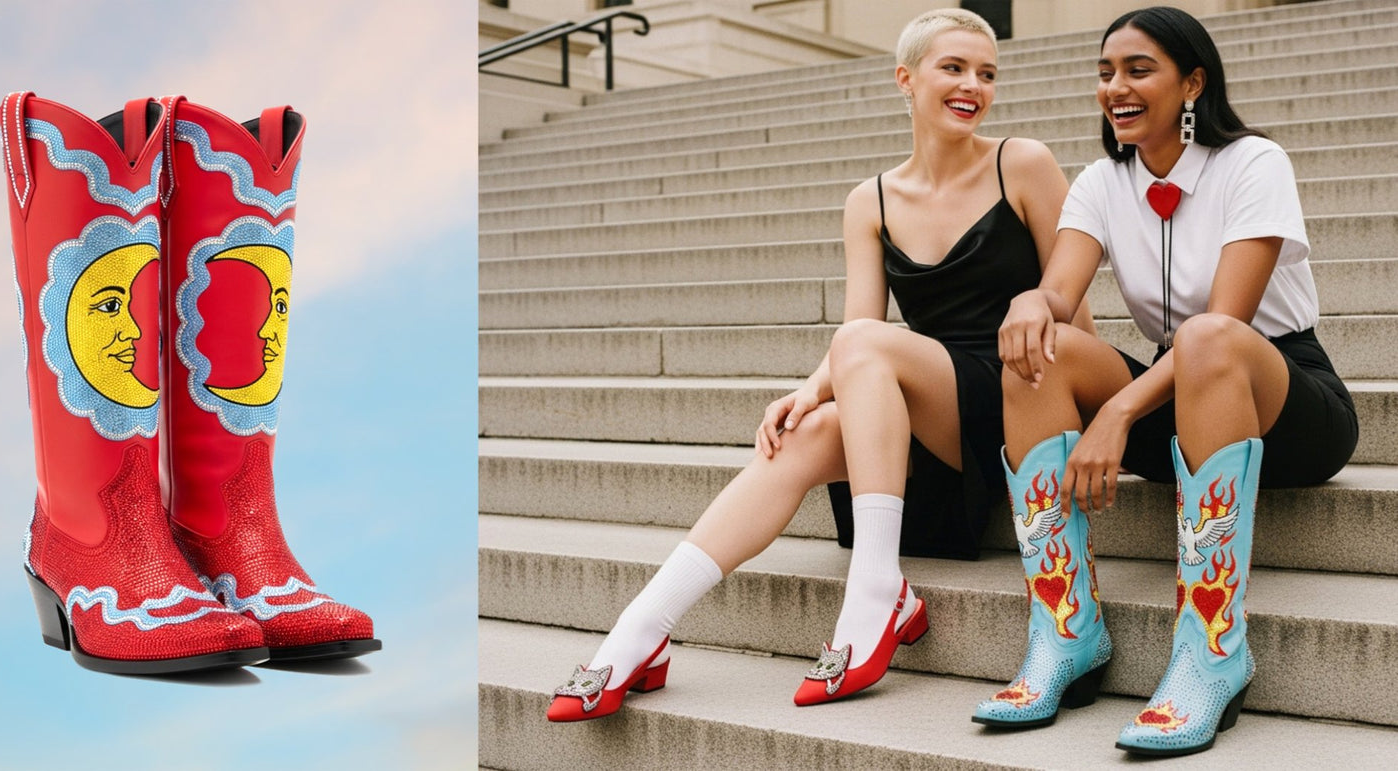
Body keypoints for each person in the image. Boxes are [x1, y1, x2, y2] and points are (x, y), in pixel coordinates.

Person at [547, 8, 1094, 722]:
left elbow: (1073, 317)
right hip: (931, 410)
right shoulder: (868, 201)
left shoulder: (1020, 161)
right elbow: (856, 331)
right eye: (953, 68)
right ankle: (641, 629)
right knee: (803, 431)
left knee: (865, 347)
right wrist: (808, 391)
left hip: (1021, 399)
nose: (973, 86)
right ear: (906, 78)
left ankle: (875, 592)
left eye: (986, 73)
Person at [978, 6, 1357, 757]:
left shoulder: (1253, 162)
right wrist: (1032, 300)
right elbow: (1060, 289)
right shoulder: (1099, 181)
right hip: (1177, 396)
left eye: (1139, 69)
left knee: (1211, 335)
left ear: (1192, 84)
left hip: (1286, 399)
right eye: (1106, 72)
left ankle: (1212, 653)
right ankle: (1064, 632)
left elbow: (1229, 320)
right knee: (1036, 344)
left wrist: (1118, 409)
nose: (1116, 86)